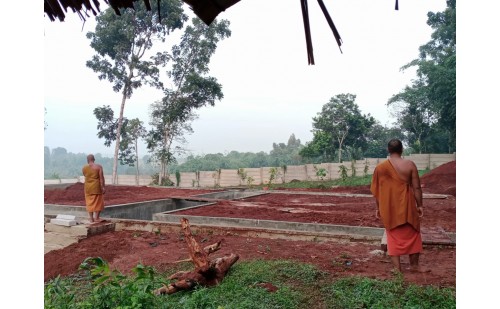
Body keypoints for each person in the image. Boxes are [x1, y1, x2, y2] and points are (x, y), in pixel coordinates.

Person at [370, 139, 425, 274]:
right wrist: (420, 205)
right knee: (413, 232)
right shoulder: (410, 165)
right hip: (407, 206)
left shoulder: (380, 168)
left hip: (389, 208)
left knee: (393, 235)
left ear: (389, 150)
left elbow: (377, 191)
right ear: (402, 150)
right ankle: (414, 266)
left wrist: (378, 208)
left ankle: (397, 268)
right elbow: (417, 187)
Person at [82, 154, 106, 223]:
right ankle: (97, 218)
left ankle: (91, 218)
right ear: (94, 159)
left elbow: (85, 175)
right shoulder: (98, 167)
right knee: (98, 202)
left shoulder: (84, 168)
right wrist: (103, 187)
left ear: (87, 160)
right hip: (96, 187)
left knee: (89, 202)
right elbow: (101, 178)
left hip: (87, 187)